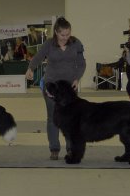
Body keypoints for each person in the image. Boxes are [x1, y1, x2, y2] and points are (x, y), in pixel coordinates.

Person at [25, 16, 86, 160]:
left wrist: (77, 78)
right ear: (56, 33)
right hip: (52, 86)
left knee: (71, 119)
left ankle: (71, 148)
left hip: (70, 87)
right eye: (62, 34)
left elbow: (82, 63)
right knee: (53, 118)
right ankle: (54, 148)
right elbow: (38, 57)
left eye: (68, 34)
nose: (66, 37)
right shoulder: (48, 44)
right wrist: (30, 69)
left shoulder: (76, 43)